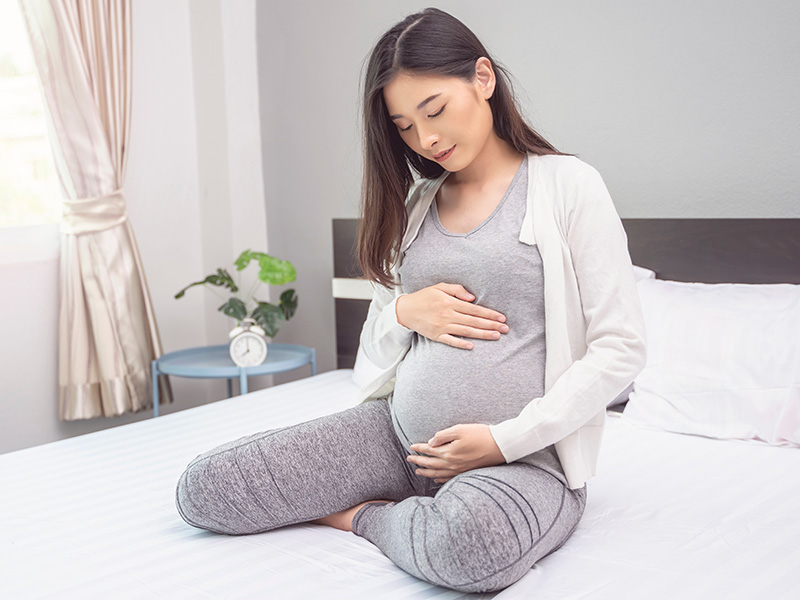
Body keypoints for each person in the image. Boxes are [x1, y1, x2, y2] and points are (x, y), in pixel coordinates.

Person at [175, 7, 647, 594]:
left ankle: (365, 517)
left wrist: (503, 440)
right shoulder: (418, 204)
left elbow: (620, 348)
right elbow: (373, 352)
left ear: (483, 79)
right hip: (398, 439)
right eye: (402, 126)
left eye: (435, 110)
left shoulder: (566, 185)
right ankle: (406, 507)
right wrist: (403, 311)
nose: (425, 139)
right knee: (207, 490)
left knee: (471, 549)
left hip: (523, 461)